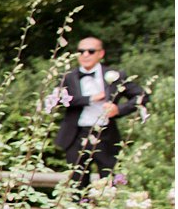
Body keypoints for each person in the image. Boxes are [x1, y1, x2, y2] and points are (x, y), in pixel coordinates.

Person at [54, 37, 150, 193]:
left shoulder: (115, 75)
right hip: (75, 135)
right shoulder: (68, 77)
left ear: (101, 53)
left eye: (91, 51)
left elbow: (142, 96)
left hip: (105, 135)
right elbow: (57, 100)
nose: (85, 54)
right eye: (81, 51)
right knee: (75, 185)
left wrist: (118, 109)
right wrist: (89, 99)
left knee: (111, 182)